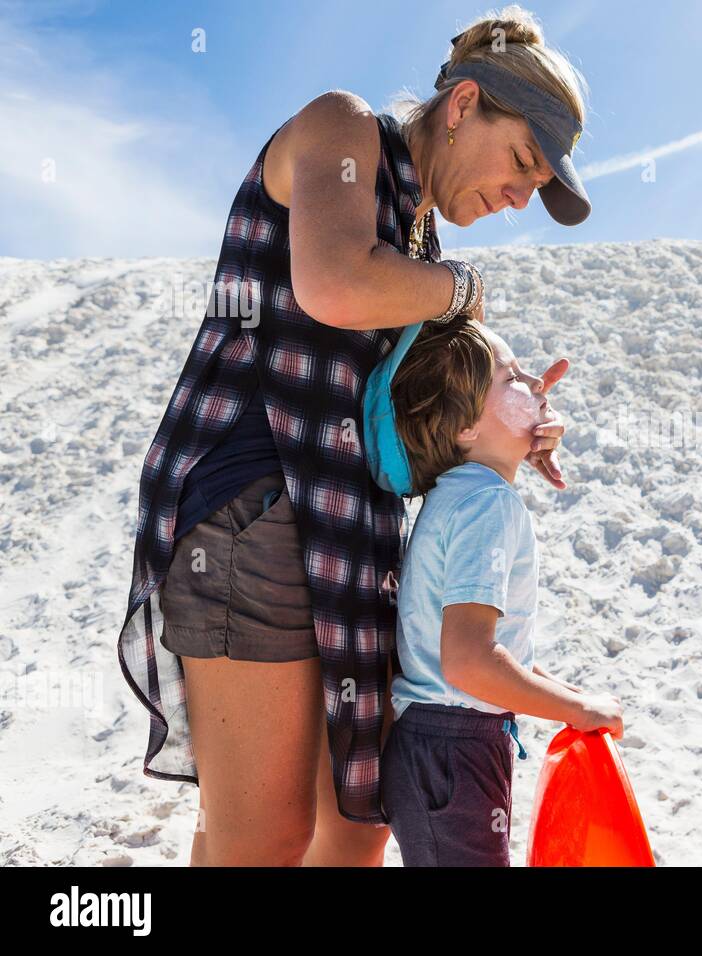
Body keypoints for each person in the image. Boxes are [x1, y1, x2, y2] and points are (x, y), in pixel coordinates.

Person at [115, 6, 590, 865]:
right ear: (463, 103)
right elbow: (334, 283)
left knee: (358, 820)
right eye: (523, 160)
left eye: (540, 184)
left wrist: (520, 421)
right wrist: (461, 289)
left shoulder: (425, 235)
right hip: (252, 511)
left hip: (352, 531)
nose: (523, 195)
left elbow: (436, 407)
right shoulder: (345, 129)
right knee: (266, 837)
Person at [365, 317, 623, 866]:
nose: (532, 387)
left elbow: (487, 652)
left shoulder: (455, 495)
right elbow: (468, 662)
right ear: (465, 430)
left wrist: (568, 695)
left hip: (443, 739)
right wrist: (575, 709)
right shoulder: (486, 504)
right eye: (510, 380)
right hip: (454, 744)